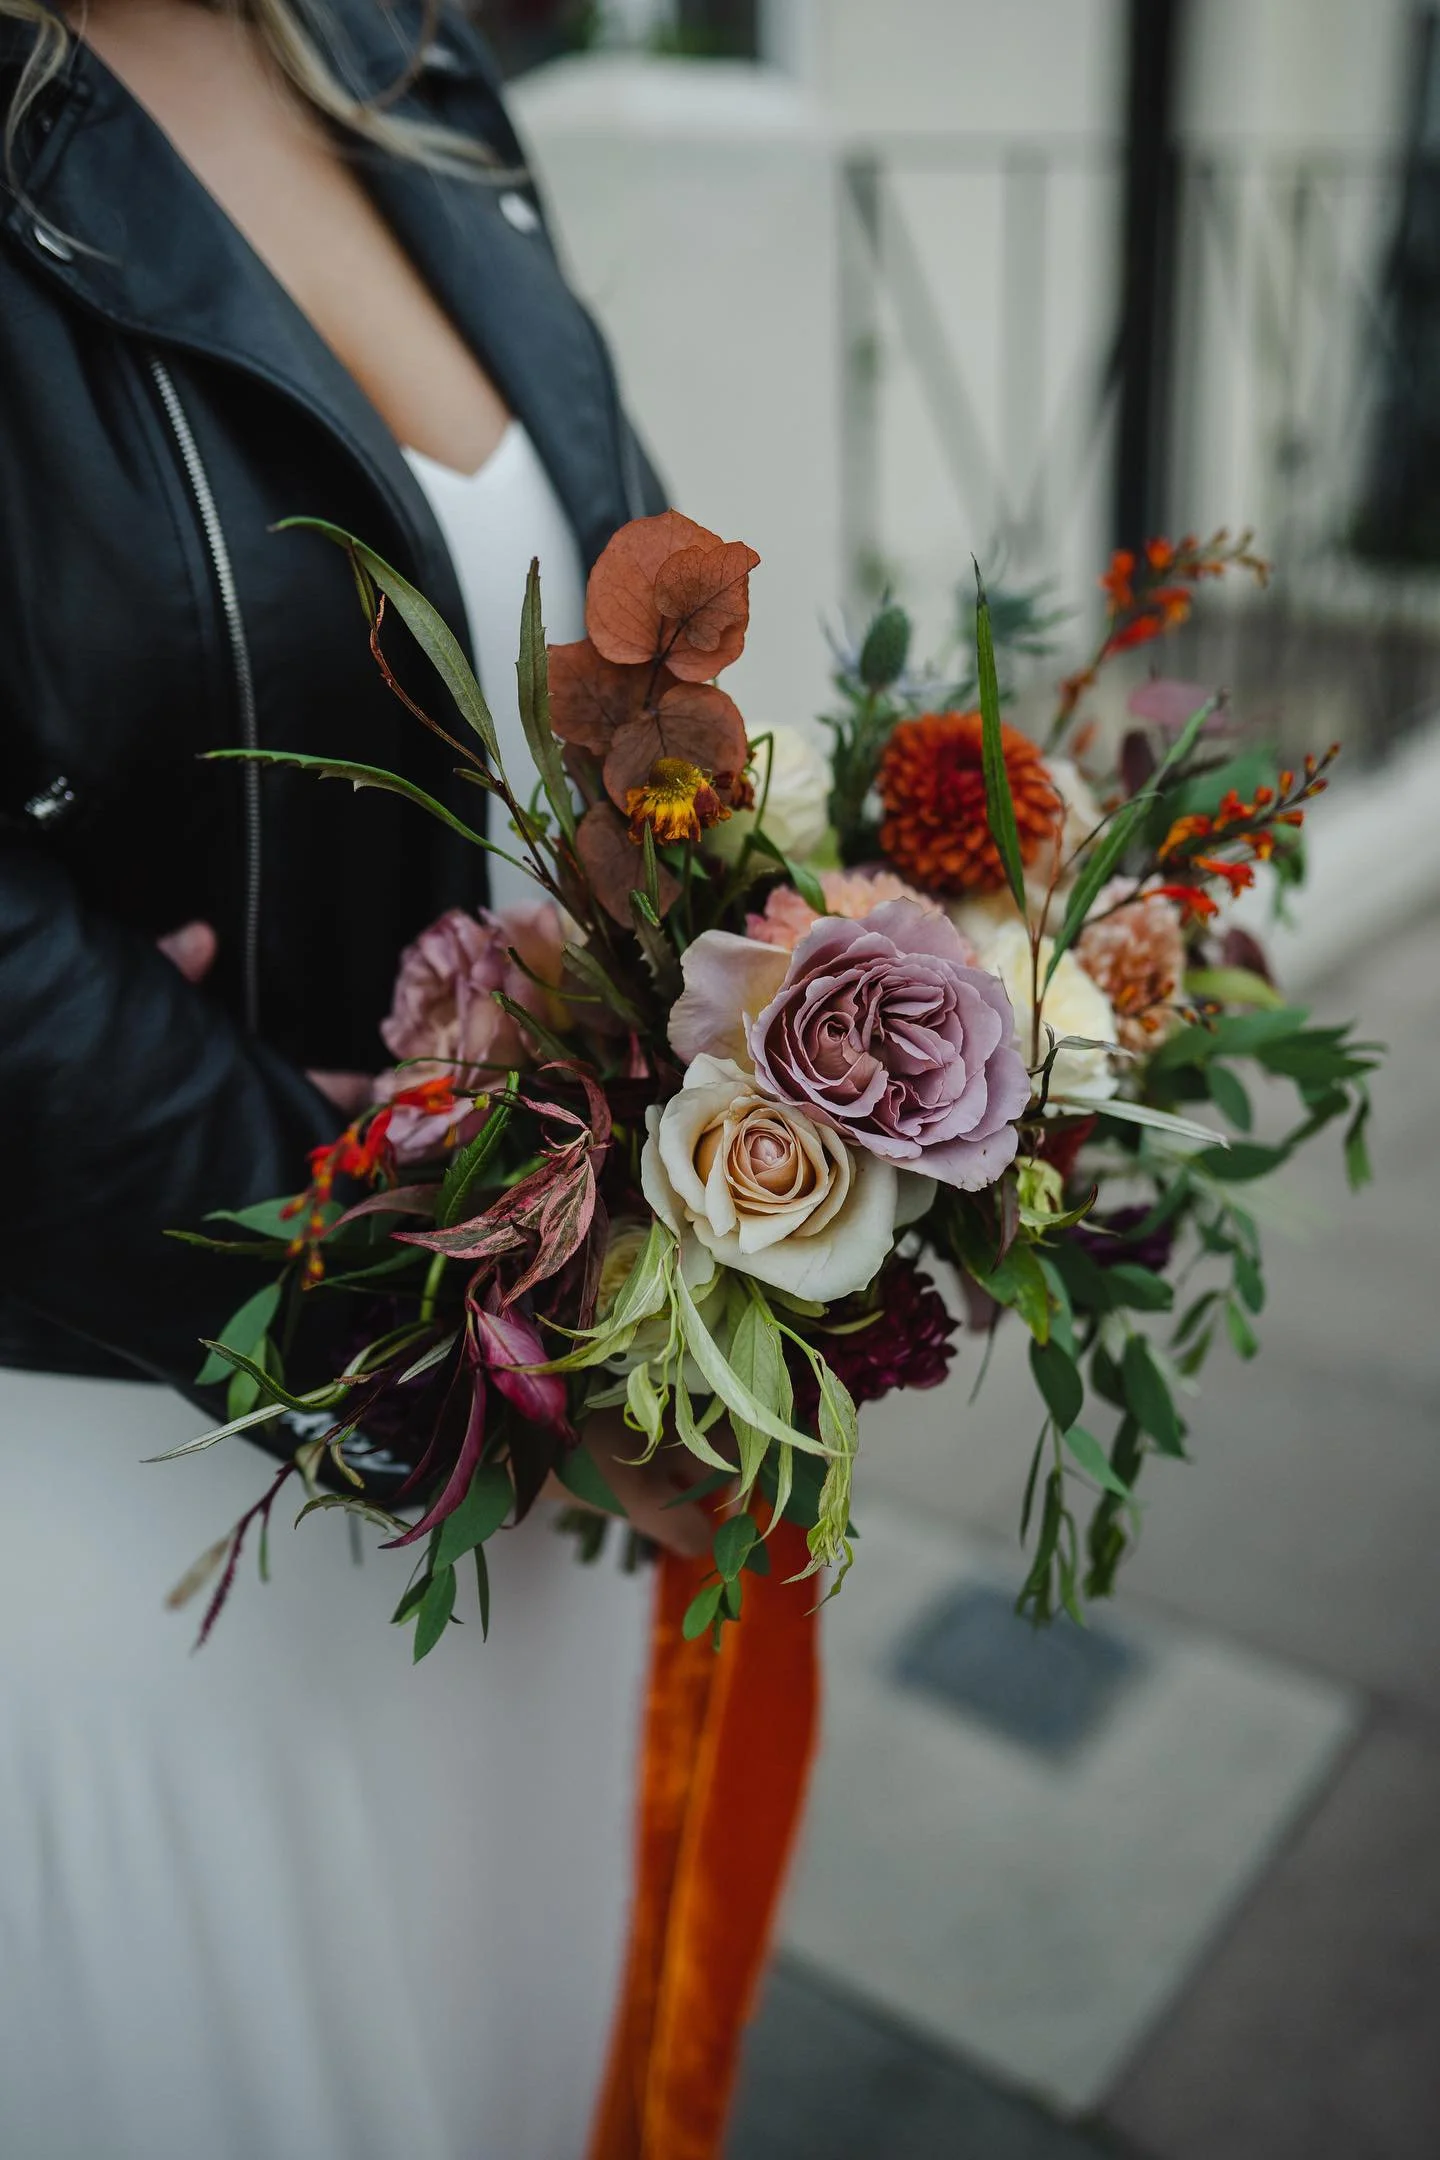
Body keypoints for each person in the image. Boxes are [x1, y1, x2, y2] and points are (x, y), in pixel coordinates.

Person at [0, 6, 709, 2154]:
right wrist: (435, 1303)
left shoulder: (400, 62)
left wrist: (805, 1102)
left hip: (520, 1508)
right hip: (149, 1499)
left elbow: (628, 639)